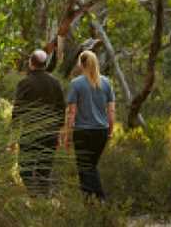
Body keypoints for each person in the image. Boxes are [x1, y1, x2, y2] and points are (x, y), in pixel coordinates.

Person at [12, 48, 66, 195]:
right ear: (45, 64)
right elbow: (61, 109)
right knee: (45, 168)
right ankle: (43, 198)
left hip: (30, 133)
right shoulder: (55, 83)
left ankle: (34, 195)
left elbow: (18, 110)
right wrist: (59, 131)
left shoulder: (24, 83)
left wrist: (13, 135)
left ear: (31, 63)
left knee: (25, 167)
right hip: (50, 133)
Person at [62, 50, 115, 201]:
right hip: (101, 132)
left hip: (83, 132)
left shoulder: (76, 83)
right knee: (89, 167)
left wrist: (67, 135)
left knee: (86, 167)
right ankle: (89, 202)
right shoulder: (106, 82)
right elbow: (111, 110)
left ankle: (101, 200)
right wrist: (110, 131)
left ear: (81, 64)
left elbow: (71, 113)